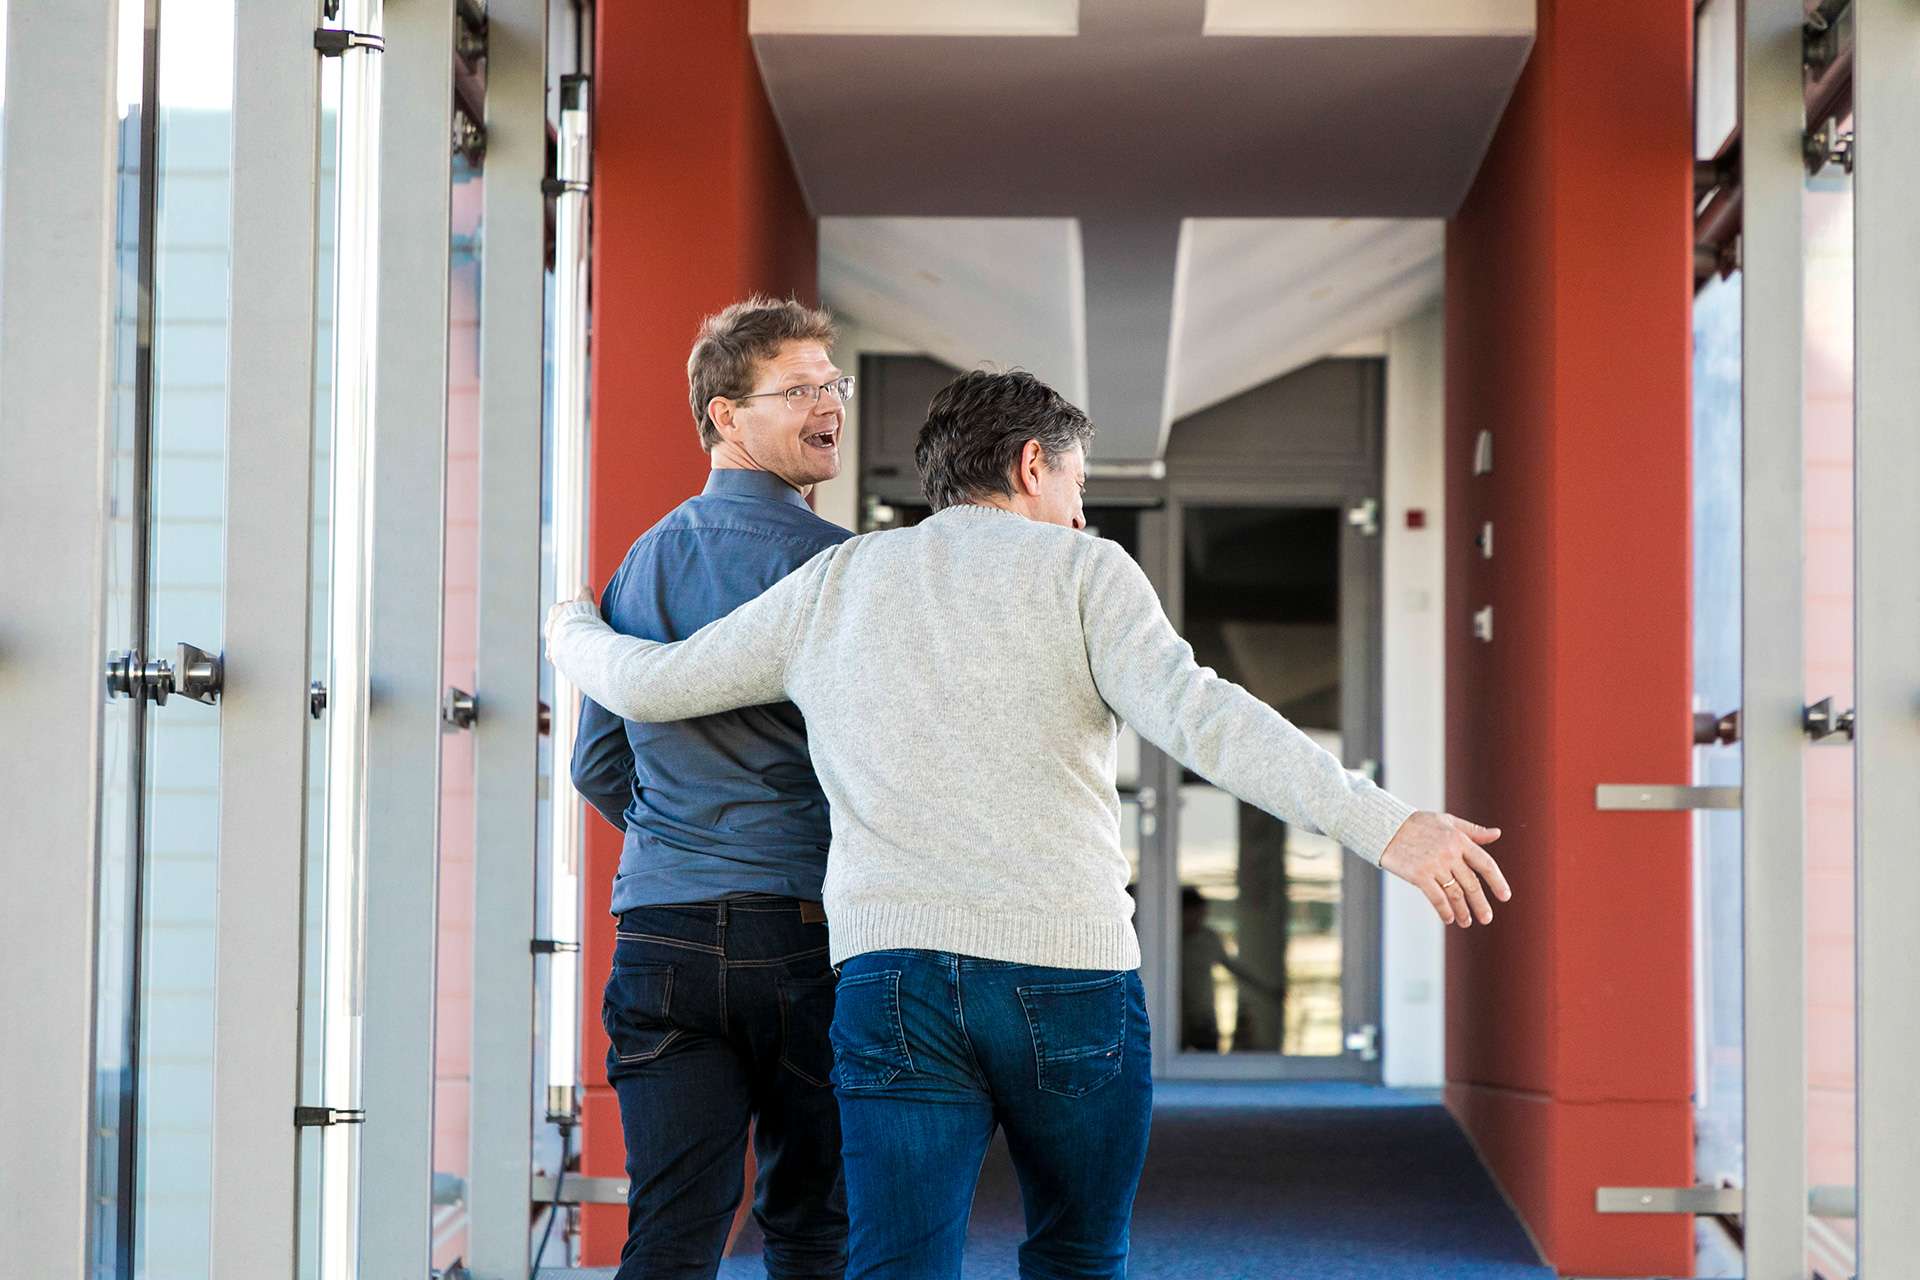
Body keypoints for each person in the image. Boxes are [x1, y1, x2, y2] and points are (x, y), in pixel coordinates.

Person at [548, 369, 1509, 1280]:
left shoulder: (839, 583)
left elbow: (654, 686)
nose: (1082, 511)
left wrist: (570, 628)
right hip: (1070, 973)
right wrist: (1385, 826)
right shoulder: (1086, 572)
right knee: (1077, 1259)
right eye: (1078, 481)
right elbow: (1206, 718)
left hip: (895, 978)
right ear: (1032, 465)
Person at [569, 297, 855, 1280]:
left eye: (834, 382)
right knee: (815, 1223)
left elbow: (594, 763)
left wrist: (681, 836)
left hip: (662, 934)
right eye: (802, 387)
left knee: (673, 1231)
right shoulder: (839, 570)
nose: (830, 402)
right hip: (805, 931)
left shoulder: (639, 564)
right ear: (726, 415)